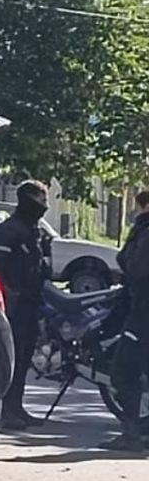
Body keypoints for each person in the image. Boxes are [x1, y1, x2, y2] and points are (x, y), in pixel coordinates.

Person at [0, 180, 51, 430]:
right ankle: (4, 409)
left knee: (24, 359)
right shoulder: (9, 231)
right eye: (41, 201)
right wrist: (9, 296)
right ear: (27, 201)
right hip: (13, 305)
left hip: (33, 302)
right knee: (12, 357)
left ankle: (17, 407)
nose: (44, 207)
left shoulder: (35, 232)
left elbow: (43, 269)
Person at [104, 191, 149, 451]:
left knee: (124, 371)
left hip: (143, 313)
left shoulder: (146, 231)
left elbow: (136, 267)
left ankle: (131, 432)